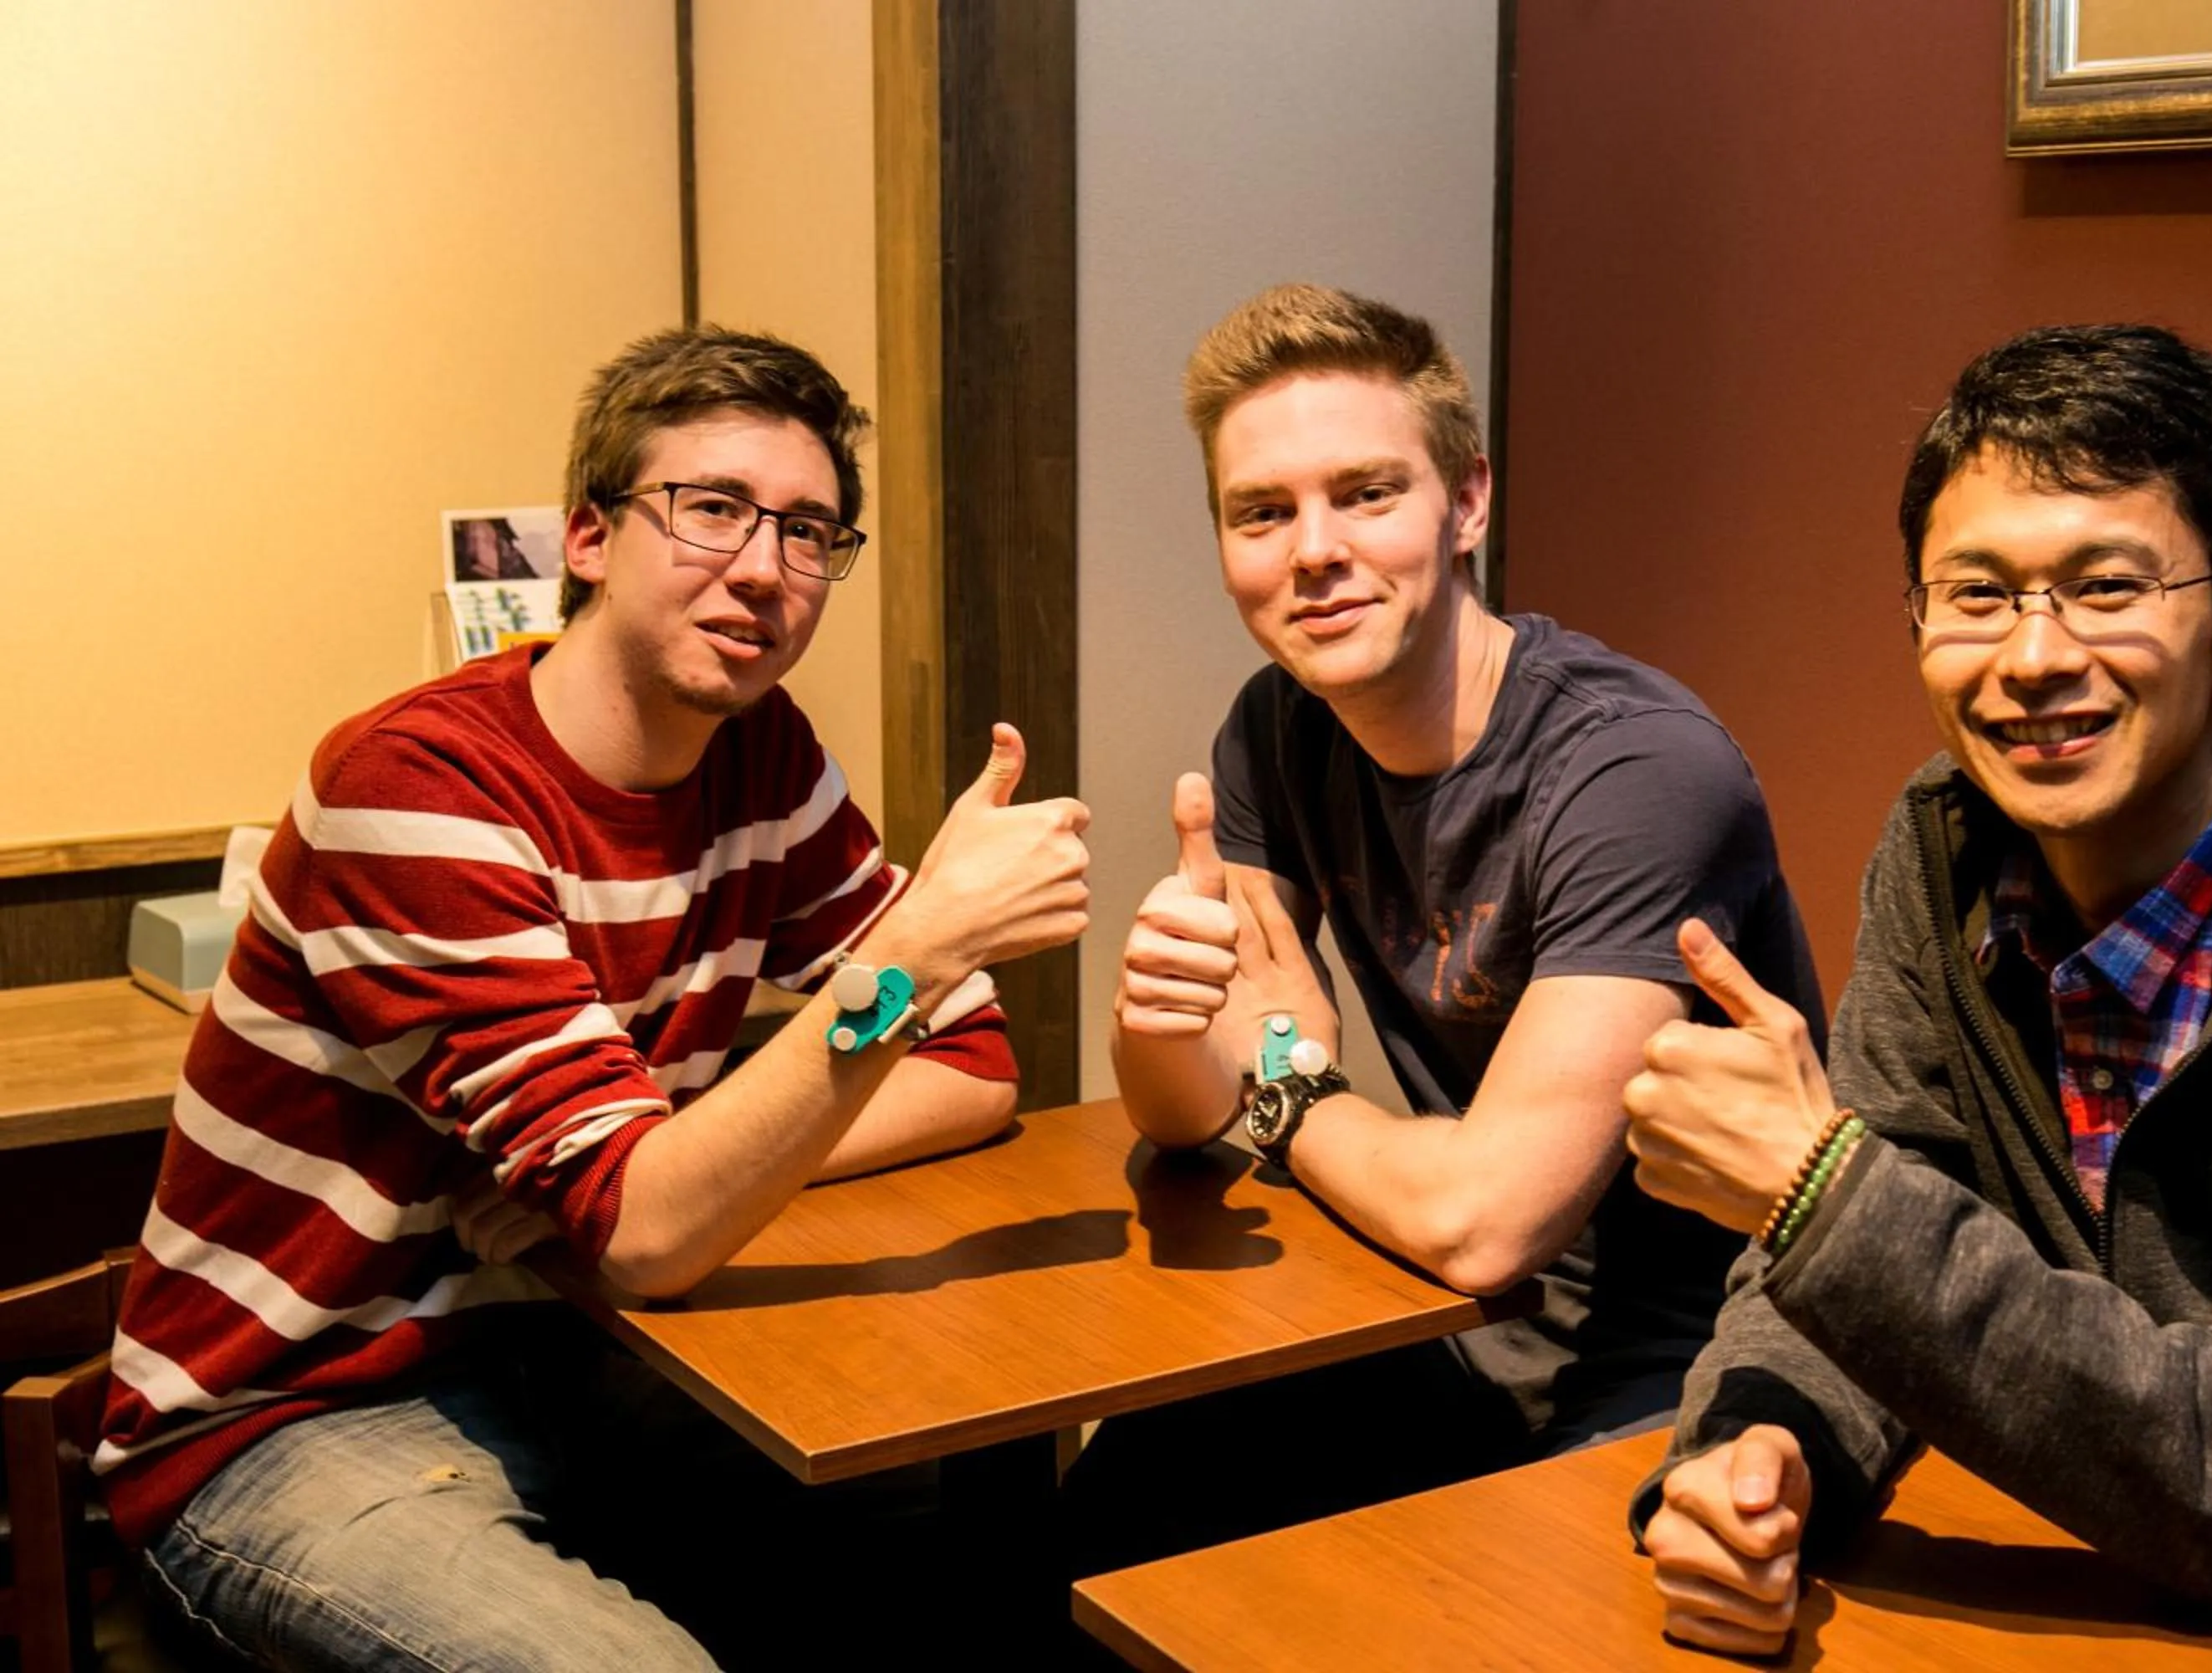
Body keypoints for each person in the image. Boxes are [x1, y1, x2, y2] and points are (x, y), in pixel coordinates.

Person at [96, 327, 1093, 1669]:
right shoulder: (418, 788)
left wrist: (681, 1176)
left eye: (810, 533)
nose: (764, 567)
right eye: (713, 510)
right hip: (294, 1416)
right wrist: (889, 976)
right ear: (586, 540)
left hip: (591, 1351)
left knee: (998, 1564)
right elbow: (651, 1227)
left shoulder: (762, 760)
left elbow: (969, 1067)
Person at [1622, 324, 2212, 1656]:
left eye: (2106, 587)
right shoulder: (1950, 849)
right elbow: (1896, 1213)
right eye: (1975, 594)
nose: (2032, 658)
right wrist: (1762, 1451)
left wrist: (1813, 1188)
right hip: (2102, 1589)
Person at [1070, 283, 1822, 1570]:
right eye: (1264, 512)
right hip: (1441, 1315)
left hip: (1687, 1361)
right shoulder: (1277, 728)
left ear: (1467, 500)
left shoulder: (1634, 768)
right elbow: (1188, 1104)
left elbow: (1484, 1215)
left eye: (1366, 494)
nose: (1313, 551)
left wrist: (1289, 1091)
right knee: (1108, 1516)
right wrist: (1157, 1009)